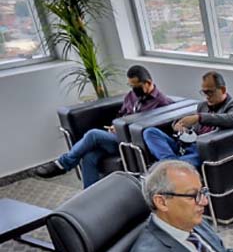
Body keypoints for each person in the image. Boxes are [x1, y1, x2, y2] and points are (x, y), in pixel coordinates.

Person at [34, 65, 174, 187]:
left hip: (132, 144)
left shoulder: (162, 103)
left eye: (135, 86)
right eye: (130, 86)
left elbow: (155, 130)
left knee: (93, 134)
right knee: (89, 156)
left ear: (148, 83)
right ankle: (89, 195)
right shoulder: (131, 96)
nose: (133, 89)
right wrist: (115, 125)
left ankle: (63, 163)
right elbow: (121, 114)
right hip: (116, 138)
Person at [141, 71, 233, 168]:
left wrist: (199, 117)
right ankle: (171, 162)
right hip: (185, 145)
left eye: (210, 92)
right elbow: (192, 128)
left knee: (179, 164)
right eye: (204, 92)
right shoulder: (203, 106)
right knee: (150, 132)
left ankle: (171, 166)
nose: (207, 97)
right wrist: (179, 126)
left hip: (201, 152)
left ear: (222, 90)